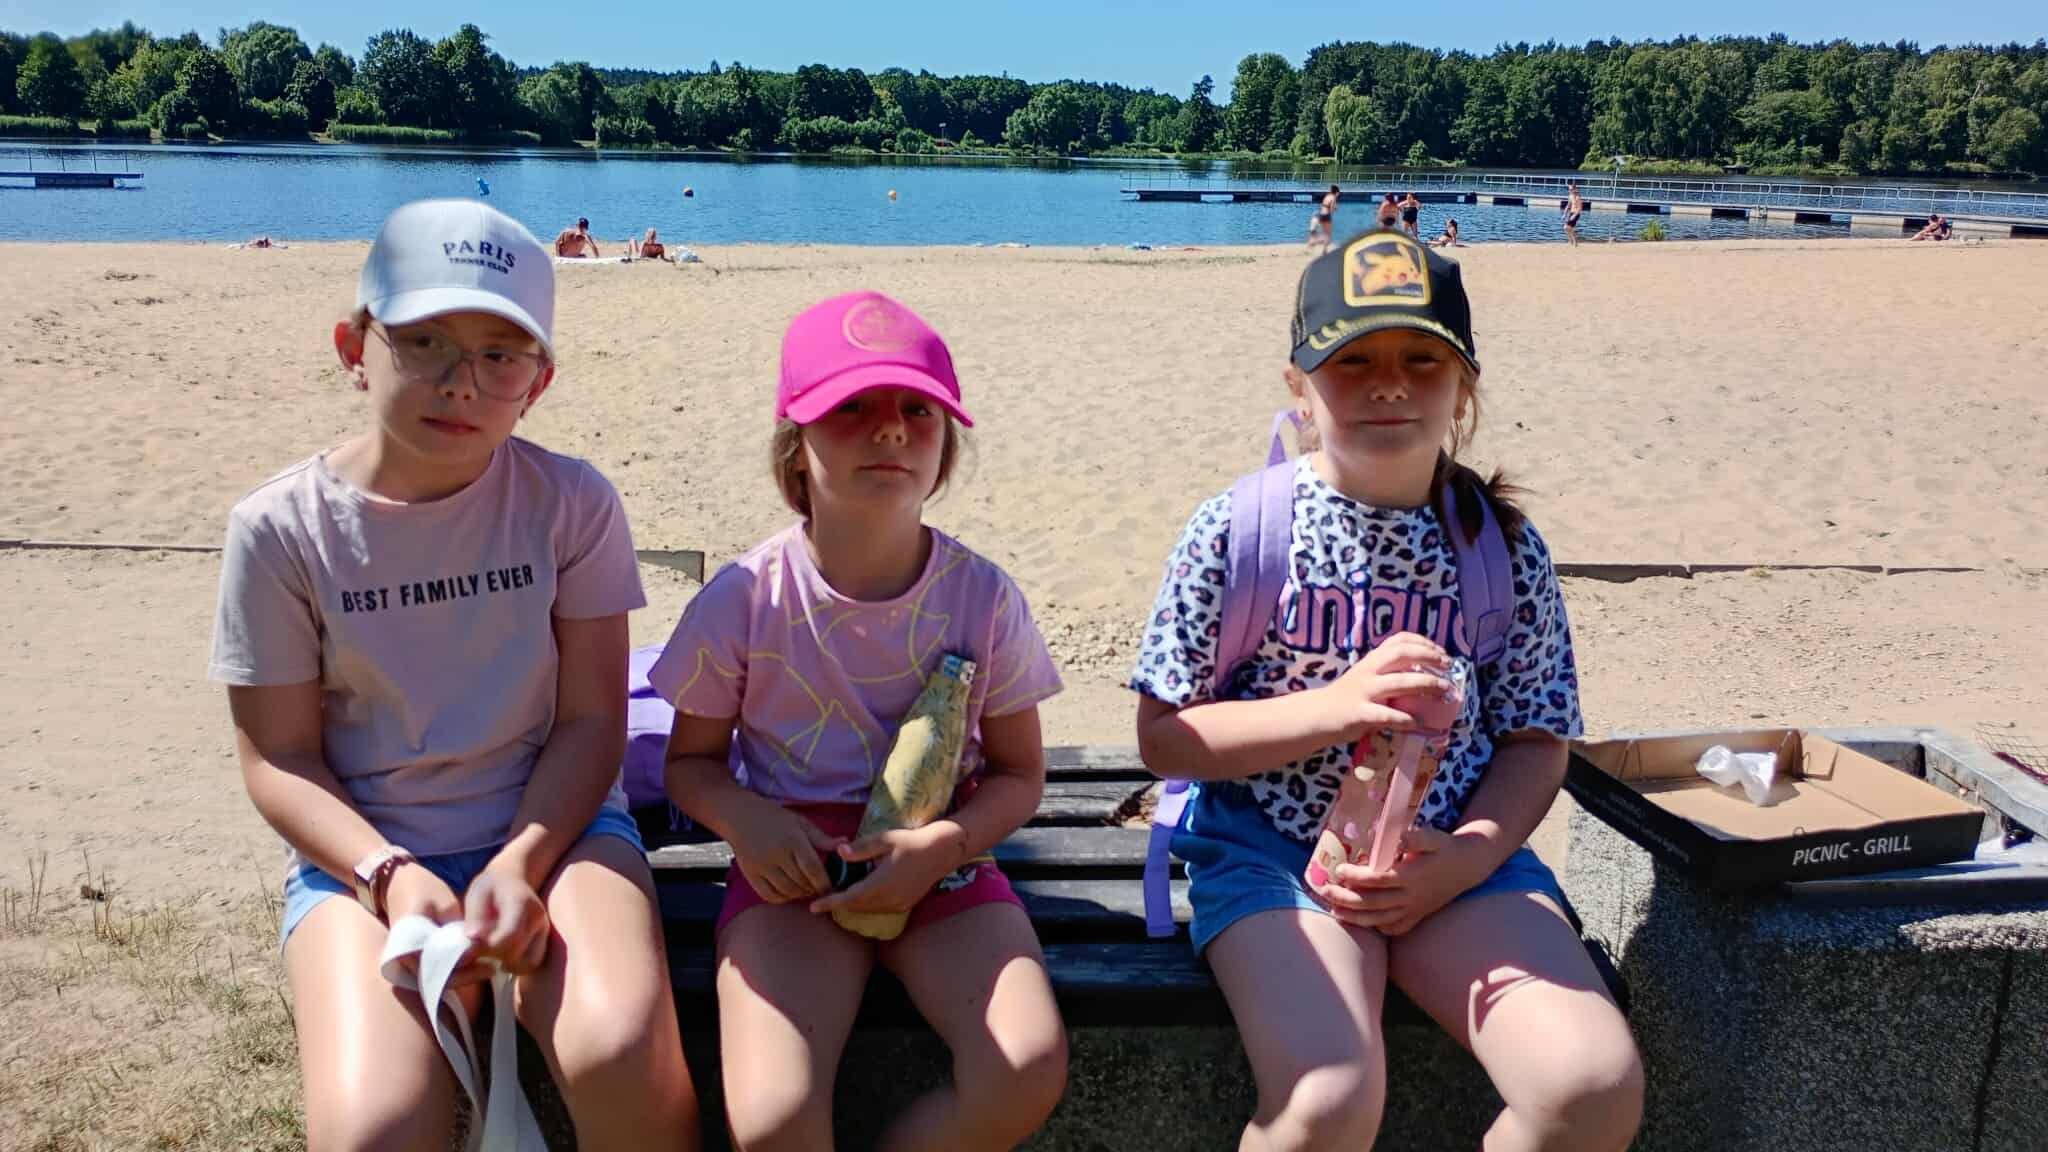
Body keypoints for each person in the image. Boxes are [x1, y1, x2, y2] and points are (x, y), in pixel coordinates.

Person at [1129, 229, 1643, 1152]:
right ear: (1299, 383)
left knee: (1590, 1087)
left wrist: (1464, 860)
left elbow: (1535, 742)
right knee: (1327, 1101)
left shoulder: (1501, 547)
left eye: (1422, 360)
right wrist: (1338, 706)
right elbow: (1165, 737)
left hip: (1454, 854)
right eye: (1353, 360)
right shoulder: (1239, 531)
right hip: (1273, 855)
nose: (1390, 384)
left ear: (1464, 387)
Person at [210, 199, 699, 1152]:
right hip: (363, 856)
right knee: (374, 1128)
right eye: (423, 340)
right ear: (355, 348)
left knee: (620, 1050)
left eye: (498, 355)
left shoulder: (571, 503)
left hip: (559, 829)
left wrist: (520, 866)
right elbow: (277, 759)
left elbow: (591, 722)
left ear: (538, 382)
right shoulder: (279, 531)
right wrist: (388, 876)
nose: (460, 382)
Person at [653, 291, 1069, 1151]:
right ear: (795, 446)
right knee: (773, 1118)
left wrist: (948, 845)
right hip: (791, 869)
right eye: (852, 408)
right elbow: (690, 765)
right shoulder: (744, 599)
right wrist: (748, 820)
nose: (889, 429)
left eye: (919, 410)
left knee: (1025, 1068)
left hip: (942, 857)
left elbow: (1020, 775)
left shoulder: (983, 597)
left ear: (946, 443)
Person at [1308, 184, 1341, 251]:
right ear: (1337, 192)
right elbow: (1331, 209)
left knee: (1325, 233)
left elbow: (1323, 206)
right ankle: (1321, 247)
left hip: (1321, 214)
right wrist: (1335, 208)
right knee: (1328, 234)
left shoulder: (1327, 196)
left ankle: (1315, 242)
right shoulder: (1333, 197)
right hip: (1326, 215)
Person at [1565, 181, 1584, 247]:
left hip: (1576, 214)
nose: (1569, 190)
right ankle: (1575, 242)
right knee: (1571, 229)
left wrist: (1574, 215)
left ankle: (1571, 241)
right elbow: (1568, 205)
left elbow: (1580, 208)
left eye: (1571, 189)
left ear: (1574, 189)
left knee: (1566, 227)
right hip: (1571, 213)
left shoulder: (1578, 197)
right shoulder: (1570, 196)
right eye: (1569, 189)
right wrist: (1564, 213)